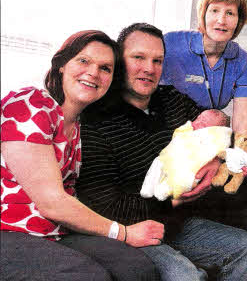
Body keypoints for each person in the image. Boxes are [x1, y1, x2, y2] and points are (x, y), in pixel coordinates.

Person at [77, 23, 247, 281]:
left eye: (157, 60)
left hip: (178, 224)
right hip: (132, 227)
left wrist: (218, 158)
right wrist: (171, 201)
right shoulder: (96, 117)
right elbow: (104, 203)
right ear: (119, 60)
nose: (149, 68)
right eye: (138, 58)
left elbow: (217, 133)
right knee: (184, 275)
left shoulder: (173, 99)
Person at [1, 30, 160, 280]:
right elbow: (52, 202)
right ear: (62, 64)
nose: (94, 73)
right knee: (88, 276)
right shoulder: (29, 104)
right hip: (9, 231)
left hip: (56, 233)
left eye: (105, 68)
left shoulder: (80, 126)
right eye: (84, 61)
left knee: (136, 268)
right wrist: (124, 233)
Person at [160, 0, 247, 135]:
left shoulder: (241, 60)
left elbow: (242, 117)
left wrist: (239, 153)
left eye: (230, 13)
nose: (221, 20)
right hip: (165, 131)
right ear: (203, 13)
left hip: (207, 136)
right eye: (215, 10)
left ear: (239, 21)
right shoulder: (171, 43)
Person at [140, 109, 231, 201]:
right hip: (170, 158)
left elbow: (221, 145)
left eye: (203, 124)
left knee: (181, 179)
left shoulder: (214, 137)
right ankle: (148, 188)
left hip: (190, 167)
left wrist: (217, 159)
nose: (197, 122)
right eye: (198, 118)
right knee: (158, 162)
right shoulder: (188, 130)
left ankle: (164, 192)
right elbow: (178, 135)